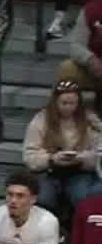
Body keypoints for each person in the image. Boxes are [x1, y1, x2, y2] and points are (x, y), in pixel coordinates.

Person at [22, 79, 102, 212]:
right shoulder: (40, 121)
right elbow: (30, 156)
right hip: (48, 171)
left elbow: (98, 154)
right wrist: (51, 158)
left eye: (73, 103)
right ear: (55, 102)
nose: (69, 107)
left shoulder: (90, 121)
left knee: (83, 197)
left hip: (79, 172)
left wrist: (81, 158)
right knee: (43, 199)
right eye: (64, 103)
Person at [60, 0, 102, 98]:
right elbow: (76, 45)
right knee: (67, 68)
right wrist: (90, 59)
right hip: (94, 69)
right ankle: (60, 112)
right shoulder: (92, 9)